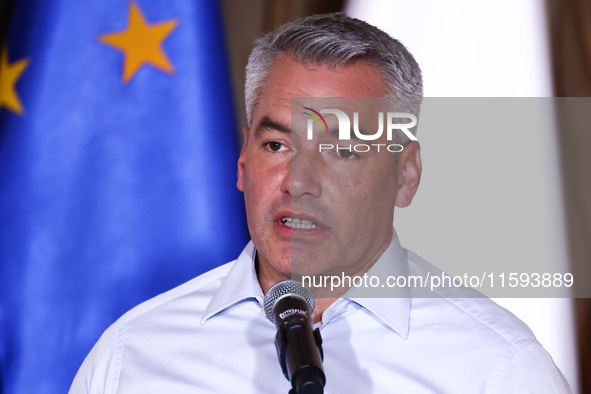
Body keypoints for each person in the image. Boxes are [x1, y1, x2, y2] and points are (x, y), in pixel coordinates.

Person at [70, 13, 571, 393]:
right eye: (277, 146)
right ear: (243, 162)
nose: (299, 182)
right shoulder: (130, 357)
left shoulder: (499, 370)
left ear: (405, 175)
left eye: (342, 151)